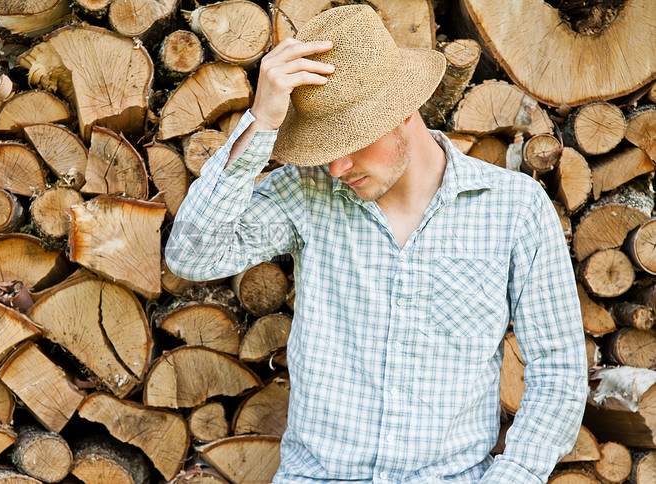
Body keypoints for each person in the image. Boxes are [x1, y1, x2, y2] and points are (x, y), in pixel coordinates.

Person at [165, 5, 588, 483]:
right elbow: (190, 254)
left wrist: (513, 476)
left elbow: (559, 371)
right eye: (324, 149)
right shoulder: (307, 193)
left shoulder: (516, 208)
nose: (336, 169)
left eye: (353, 141)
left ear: (403, 109)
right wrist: (260, 121)